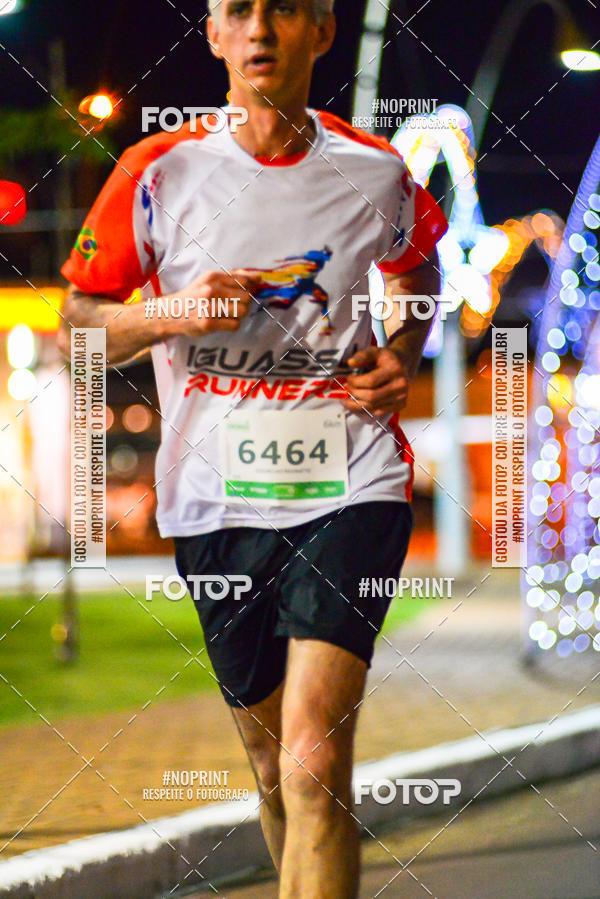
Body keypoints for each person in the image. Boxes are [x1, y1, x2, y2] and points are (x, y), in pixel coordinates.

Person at [58, 1, 447, 895]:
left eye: (284, 8)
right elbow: (79, 325)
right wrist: (174, 310)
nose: (261, 25)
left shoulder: (376, 170)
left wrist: (400, 351)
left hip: (352, 481)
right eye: (240, 9)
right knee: (273, 769)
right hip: (213, 500)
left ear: (322, 29)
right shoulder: (160, 170)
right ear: (215, 33)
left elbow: (419, 266)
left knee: (314, 755)